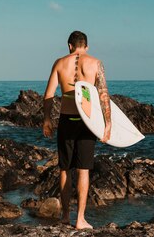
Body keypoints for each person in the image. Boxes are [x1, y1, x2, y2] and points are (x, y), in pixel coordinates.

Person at [42, 31, 111, 229]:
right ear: (86, 46)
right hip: (87, 122)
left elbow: (48, 95)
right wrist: (108, 124)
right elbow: (103, 94)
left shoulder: (59, 63)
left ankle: (65, 217)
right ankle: (80, 219)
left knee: (65, 169)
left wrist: (47, 120)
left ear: (69, 45)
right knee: (83, 170)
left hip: (66, 120)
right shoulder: (95, 63)